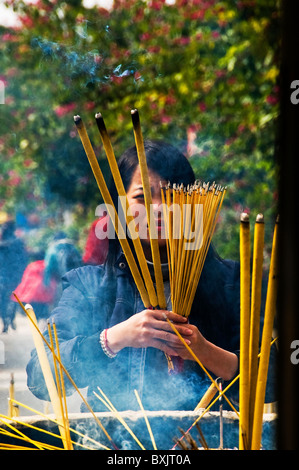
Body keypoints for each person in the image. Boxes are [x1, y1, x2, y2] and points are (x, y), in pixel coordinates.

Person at [26, 140, 276, 412]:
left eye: (170, 196)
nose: (158, 208)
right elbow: (40, 378)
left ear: (192, 203)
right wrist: (113, 339)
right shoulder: (90, 286)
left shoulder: (231, 281)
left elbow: (272, 377)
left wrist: (204, 351)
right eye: (142, 197)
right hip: (117, 445)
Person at [0, 216, 28, 332]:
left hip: (4, 276)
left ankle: (6, 320)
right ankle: (10, 319)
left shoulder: (2, 245)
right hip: (14, 275)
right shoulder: (18, 242)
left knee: (4, 299)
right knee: (13, 298)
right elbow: (24, 259)